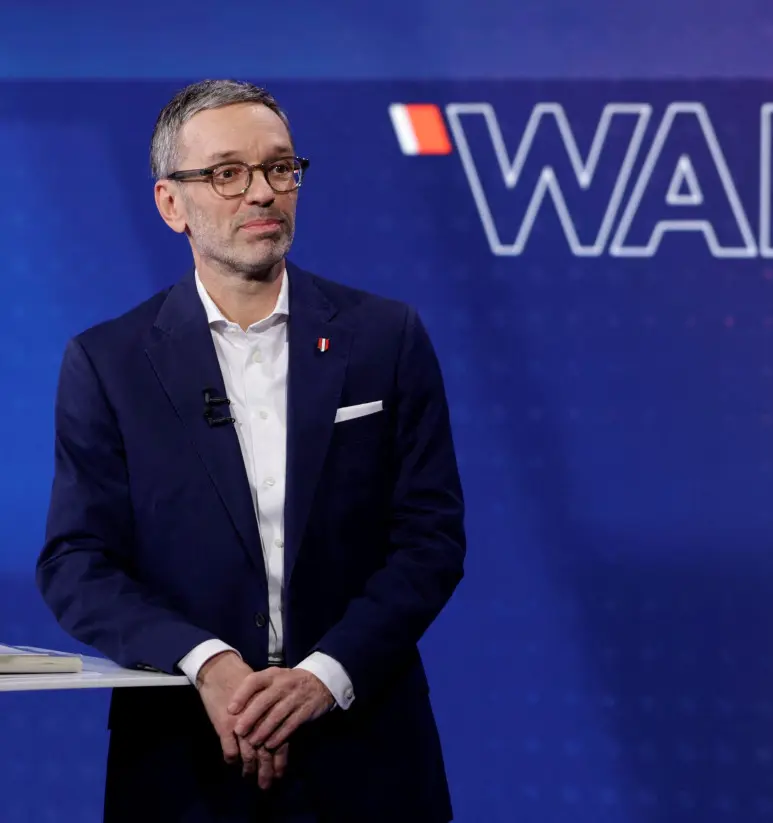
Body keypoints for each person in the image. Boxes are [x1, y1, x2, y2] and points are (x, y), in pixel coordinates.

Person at [34, 79, 466, 822]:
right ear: (172, 203)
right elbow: (76, 561)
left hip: (364, 754)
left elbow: (430, 539)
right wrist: (210, 662)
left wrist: (324, 676)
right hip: (182, 758)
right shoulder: (109, 362)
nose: (262, 192)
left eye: (280, 168)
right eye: (227, 173)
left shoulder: (384, 339)